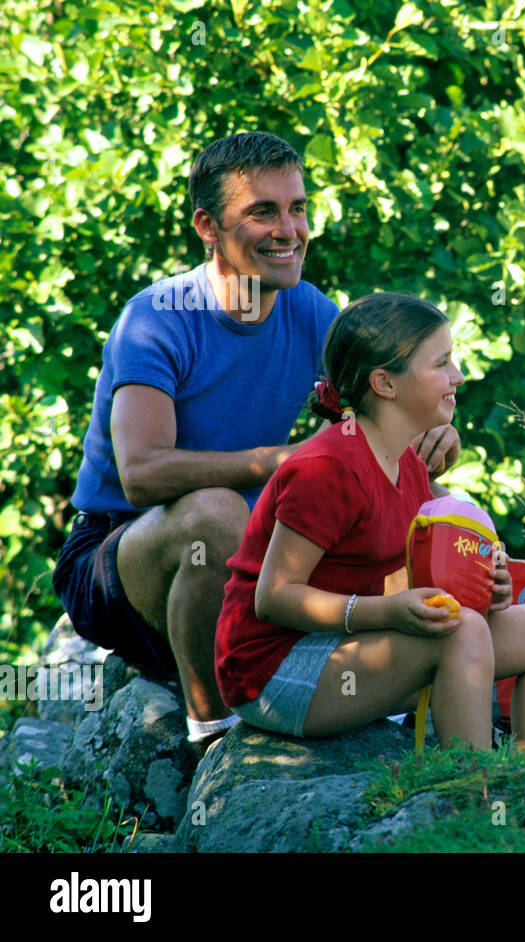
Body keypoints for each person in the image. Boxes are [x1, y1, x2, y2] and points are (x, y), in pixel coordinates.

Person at [51, 132, 461, 750]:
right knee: (214, 513)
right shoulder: (156, 317)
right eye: (262, 212)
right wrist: (278, 461)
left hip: (245, 563)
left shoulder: (309, 311)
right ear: (208, 226)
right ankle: (215, 738)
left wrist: (434, 434)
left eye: (297, 208)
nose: (288, 230)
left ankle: (434, 701)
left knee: (428, 506)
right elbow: (139, 473)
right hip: (118, 552)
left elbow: (385, 399)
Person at [215, 293, 525, 749]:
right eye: (441, 363)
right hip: (273, 669)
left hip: (354, 644)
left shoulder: (408, 463)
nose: (458, 377)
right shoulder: (327, 468)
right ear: (385, 383)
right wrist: (388, 612)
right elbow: (274, 598)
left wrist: (486, 589)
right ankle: (474, 790)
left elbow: (411, 572)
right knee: (459, 632)